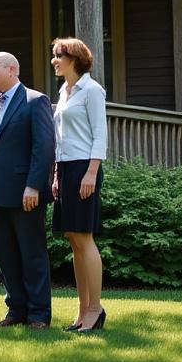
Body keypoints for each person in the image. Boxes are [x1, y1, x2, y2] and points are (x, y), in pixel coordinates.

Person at [0, 51, 56, 329]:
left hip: (26, 193)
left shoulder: (35, 101)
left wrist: (33, 185)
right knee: (6, 256)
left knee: (32, 255)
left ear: (12, 69)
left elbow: (44, 148)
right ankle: (16, 310)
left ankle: (39, 314)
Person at [50, 37, 108, 333]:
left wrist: (91, 173)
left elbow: (100, 134)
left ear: (73, 59)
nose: (54, 61)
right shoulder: (64, 92)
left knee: (84, 237)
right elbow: (61, 139)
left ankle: (96, 309)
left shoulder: (92, 90)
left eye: (59, 56)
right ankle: (83, 310)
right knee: (73, 238)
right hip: (66, 168)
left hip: (85, 168)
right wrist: (57, 174)